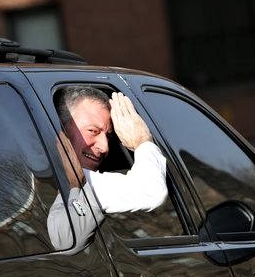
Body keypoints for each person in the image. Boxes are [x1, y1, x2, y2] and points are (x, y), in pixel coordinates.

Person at [47, 86, 168, 250]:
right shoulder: (86, 182)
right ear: (61, 130)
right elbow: (152, 192)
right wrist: (142, 141)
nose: (105, 147)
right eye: (92, 131)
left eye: (108, 136)